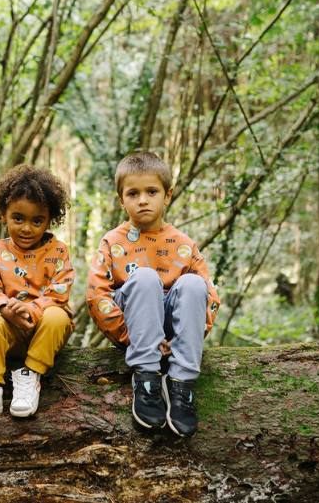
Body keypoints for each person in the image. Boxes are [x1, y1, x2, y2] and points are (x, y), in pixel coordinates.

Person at [86, 150, 220, 437]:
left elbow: (210, 297)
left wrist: (181, 339)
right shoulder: (112, 241)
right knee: (145, 278)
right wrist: (130, 336)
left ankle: (181, 384)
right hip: (136, 330)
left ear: (167, 195)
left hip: (172, 338)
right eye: (133, 193)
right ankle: (146, 379)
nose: (143, 200)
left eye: (151, 191)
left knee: (194, 284)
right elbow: (97, 297)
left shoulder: (182, 243)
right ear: (122, 200)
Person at [0, 164, 74, 420]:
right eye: (18, 218)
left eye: (37, 221)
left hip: (45, 332)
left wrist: (32, 309)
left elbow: (59, 291)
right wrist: (5, 308)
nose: (26, 228)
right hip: (8, 330)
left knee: (58, 316)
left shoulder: (58, 251)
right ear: (4, 214)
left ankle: (30, 375)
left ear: (49, 220)